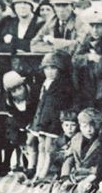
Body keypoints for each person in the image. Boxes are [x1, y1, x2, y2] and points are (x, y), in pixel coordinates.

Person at [31, 51, 78, 182]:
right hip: (43, 120)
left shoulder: (63, 85)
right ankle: (38, 172)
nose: (49, 71)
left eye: (53, 68)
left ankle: (44, 174)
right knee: (41, 146)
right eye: (46, 68)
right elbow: (41, 104)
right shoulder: (45, 83)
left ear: (60, 69)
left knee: (49, 148)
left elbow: (62, 105)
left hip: (53, 121)